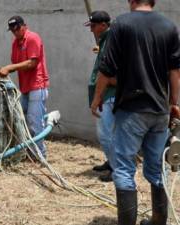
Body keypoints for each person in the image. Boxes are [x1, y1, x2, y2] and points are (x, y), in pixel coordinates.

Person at [91, 0, 180, 224]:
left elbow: (106, 67)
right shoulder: (169, 26)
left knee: (122, 168)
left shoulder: (121, 24)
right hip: (159, 110)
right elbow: (174, 71)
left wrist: (97, 97)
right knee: (158, 166)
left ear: (131, 0)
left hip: (131, 109)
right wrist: (173, 103)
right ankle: (160, 221)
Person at [0, 16, 50, 158]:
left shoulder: (33, 38)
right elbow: (15, 64)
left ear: (24, 26)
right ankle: (31, 151)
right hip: (25, 87)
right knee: (24, 121)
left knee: (35, 122)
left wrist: (9, 68)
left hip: (37, 86)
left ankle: (40, 155)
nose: (15, 32)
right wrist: (5, 70)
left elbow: (32, 63)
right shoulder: (16, 43)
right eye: (12, 30)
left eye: (17, 29)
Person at [85, 11, 115, 182]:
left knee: (106, 134)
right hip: (106, 93)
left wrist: (108, 84)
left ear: (104, 25)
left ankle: (116, 167)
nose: (91, 30)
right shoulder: (106, 40)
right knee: (106, 132)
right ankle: (112, 162)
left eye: (93, 26)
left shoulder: (111, 40)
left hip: (109, 94)